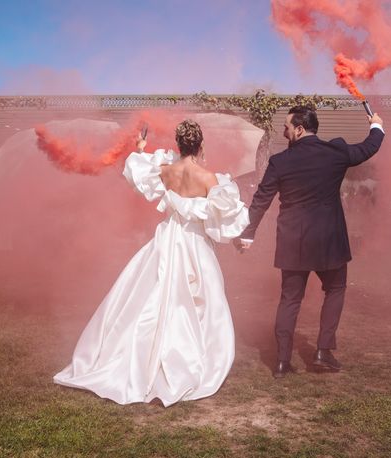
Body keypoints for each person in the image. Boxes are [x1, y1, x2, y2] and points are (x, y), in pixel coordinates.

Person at [54, 120, 249, 406]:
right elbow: (223, 217)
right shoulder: (210, 179)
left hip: (167, 237)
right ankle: (190, 357)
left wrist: (142, 147)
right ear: (200, 146)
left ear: (179, 145)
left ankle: (135, 355)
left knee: (150, 293)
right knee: (197, 301)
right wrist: (235, 240)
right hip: (194, 244)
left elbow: (140, 169)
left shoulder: (166, 170)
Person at [236, 106, 385, 378]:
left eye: (287, 126)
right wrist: (376, 125)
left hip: (293, 240)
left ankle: (281, 362)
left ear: (300, 129)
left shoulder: (280, 162)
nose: (284, 131)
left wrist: (248, 233)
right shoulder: (336, 152)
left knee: (290, 300)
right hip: (329, 239)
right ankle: (323, 352)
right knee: (336, 289)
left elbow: (262, 199)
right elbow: (368, 148)